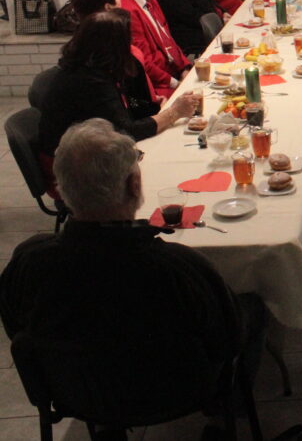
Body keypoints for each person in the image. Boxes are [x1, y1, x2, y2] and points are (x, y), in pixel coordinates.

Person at [0, 119, 257, 441]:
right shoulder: (179, 267)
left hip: (78, 395)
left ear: (61, 189)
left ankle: (107, 428)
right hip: (180, 391)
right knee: (252, 305)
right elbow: (229, 339)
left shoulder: (28, 263)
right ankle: (221, 421)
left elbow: (19, 330)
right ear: (135, 186)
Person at [38, 10, 198, 157]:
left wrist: (150, 107)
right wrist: (173, 113)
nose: (131, 44)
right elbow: (125, 132)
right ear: (114, 46)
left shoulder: (91, 65)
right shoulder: (89, 81)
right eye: (128, 39)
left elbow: (120, 109)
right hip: (70, 162)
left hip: (85, 147)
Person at [115, 0, 190, 98]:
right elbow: (143, 62)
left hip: (174, 72)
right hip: (159, 86)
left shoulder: (151, 1)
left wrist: (185, 68)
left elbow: (169, 40)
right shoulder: (127, 11)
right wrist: (176, 83)